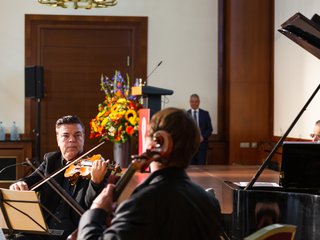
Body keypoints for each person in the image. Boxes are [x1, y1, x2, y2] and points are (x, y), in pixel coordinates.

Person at [77, 107, 222, 240]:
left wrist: (96, 211)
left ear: (155, 143)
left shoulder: (143, 203)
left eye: (145, 135)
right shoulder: (209, 203)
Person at [9, 115, 110, 240]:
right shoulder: (51, 160)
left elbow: (92, 209)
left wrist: (95, 183)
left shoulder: (96, 165)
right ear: (58, 139)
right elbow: (31, 180)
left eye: (77, 135)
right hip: (43, 231)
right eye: (66, 135)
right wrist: (19, 183)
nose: (72, 140)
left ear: (83, 138)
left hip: (73, 232)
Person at [187, 93, 213, 165]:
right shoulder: (186, 114)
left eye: (196, 101)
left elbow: (210, 129)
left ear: (199, 102)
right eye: (192, 101)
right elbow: (184, 130)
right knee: (191, 167)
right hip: (190, 146)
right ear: (190, 102)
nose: (194, 103)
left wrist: (203, 137)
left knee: (202, 167)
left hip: (202, 145)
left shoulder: (205, 114)